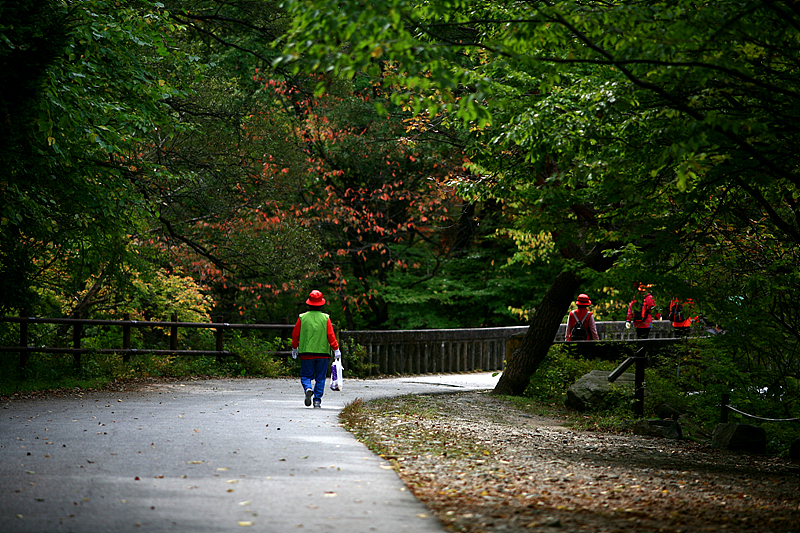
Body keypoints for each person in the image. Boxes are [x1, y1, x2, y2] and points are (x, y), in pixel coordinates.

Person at [291, 290, 341, 408]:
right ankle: (317, 400)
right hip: (323, 353)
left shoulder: (302, 318)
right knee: (320, 377)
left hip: (306, 352)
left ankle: (308, 388)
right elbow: (331, 335)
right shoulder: (325, 318)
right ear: (321, 304)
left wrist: (294, 347)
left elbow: (295, 334)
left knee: (305, 375)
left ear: (308, 303)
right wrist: (336, 349)